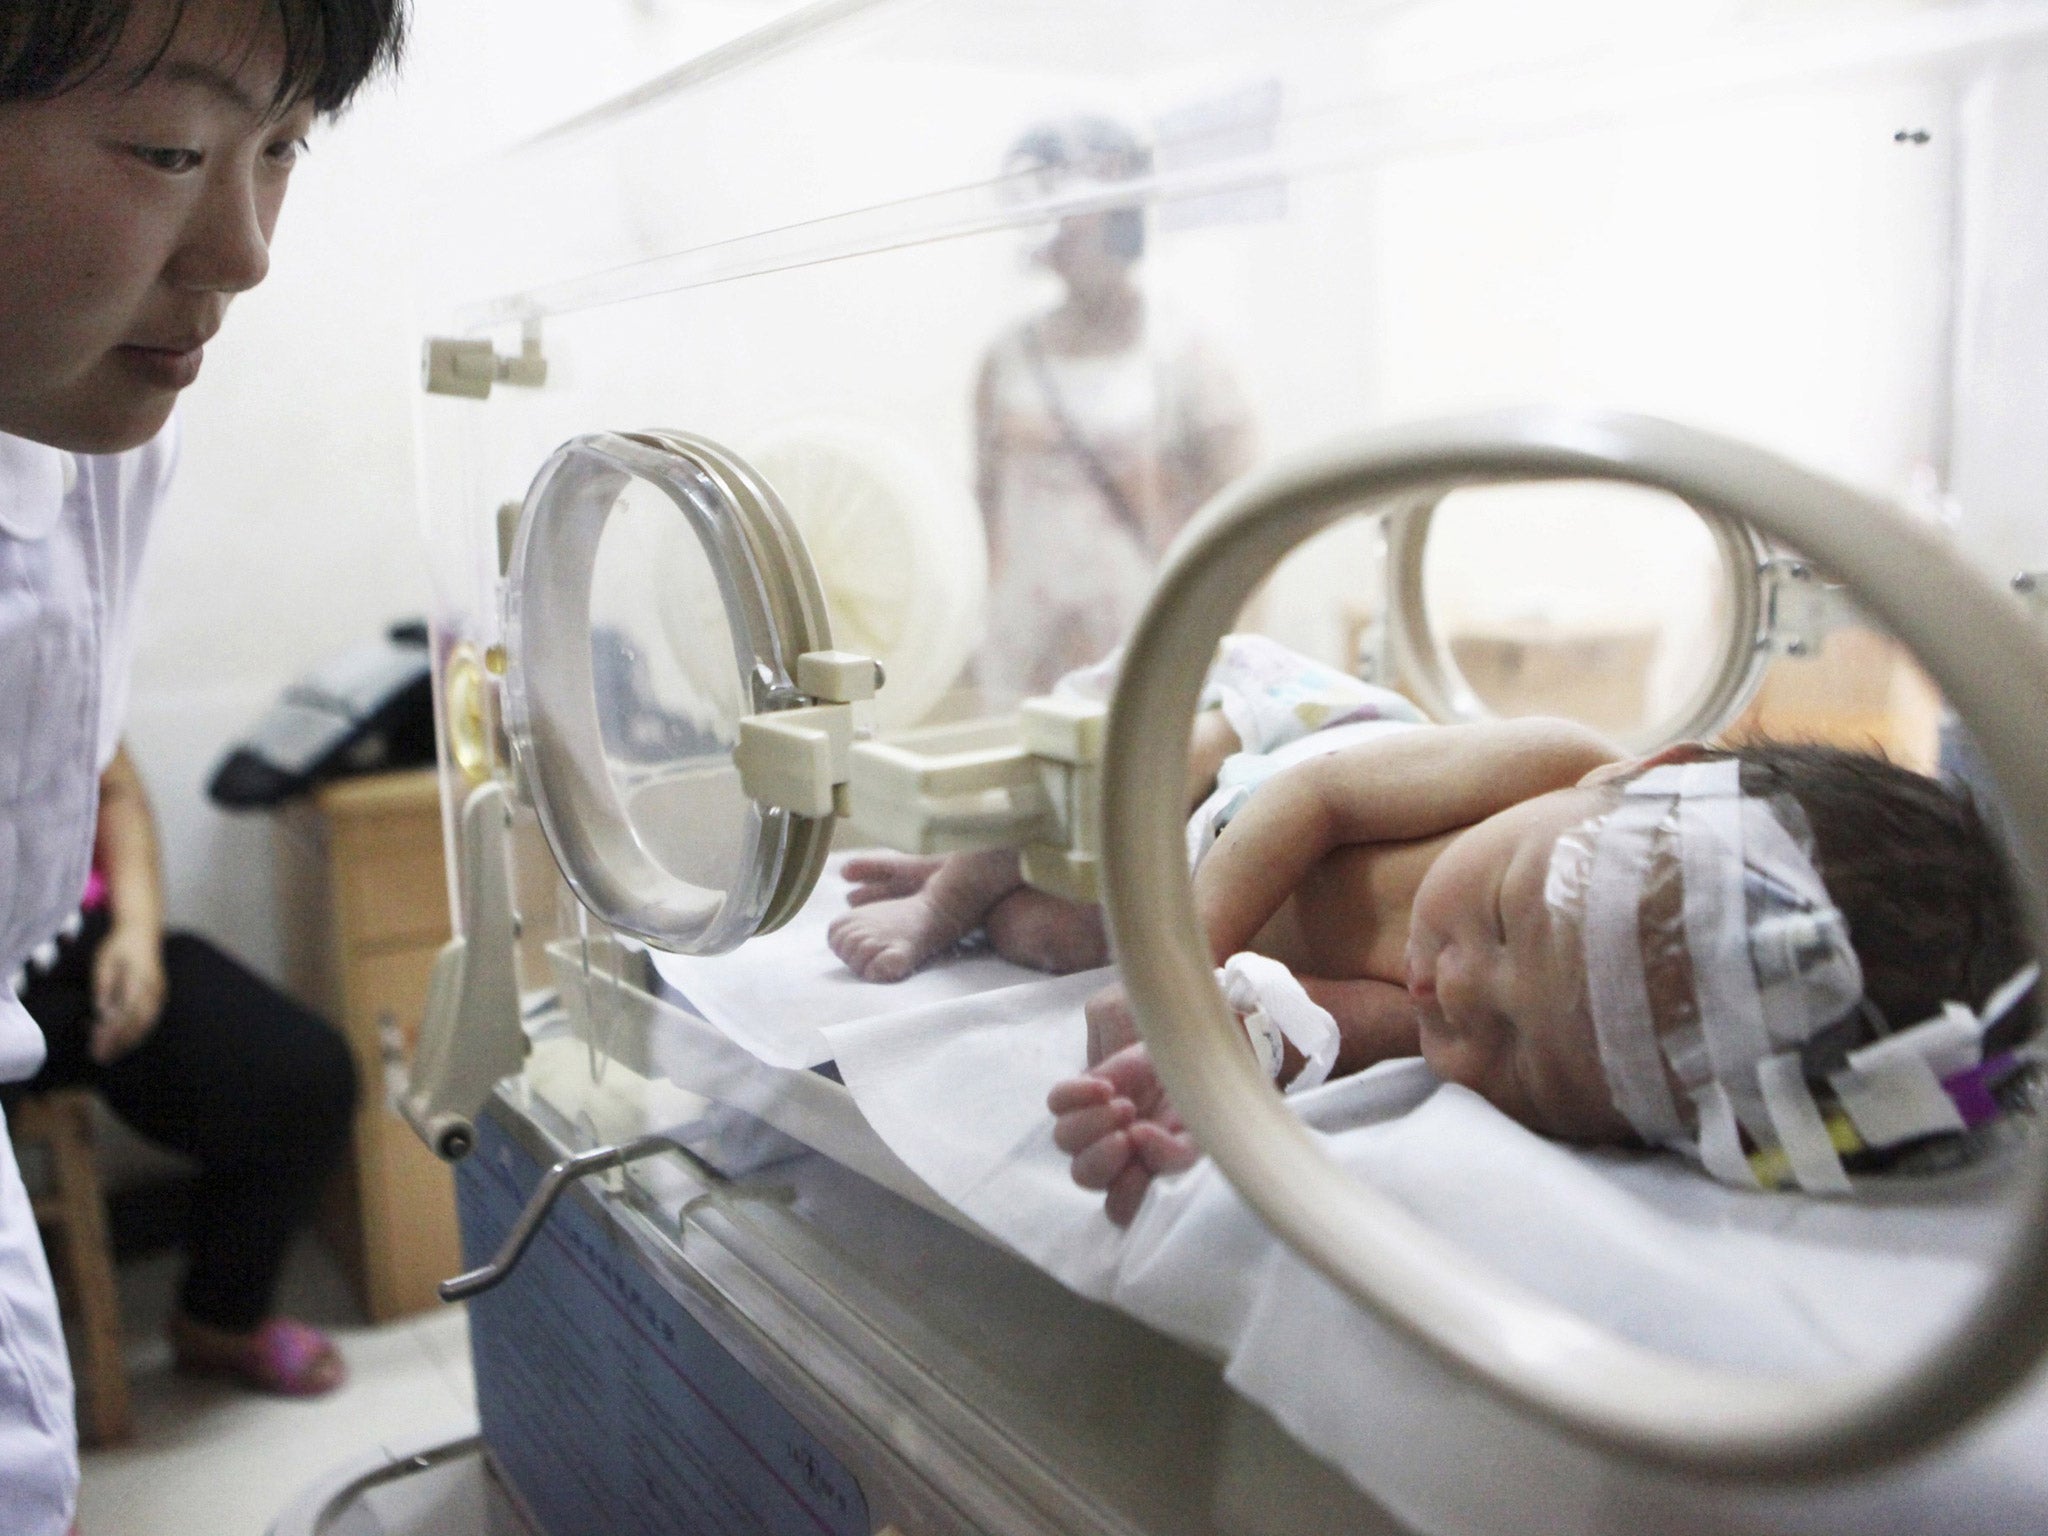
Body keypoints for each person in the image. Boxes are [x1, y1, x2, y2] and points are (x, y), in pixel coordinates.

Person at [830, 638, 2038, 1225]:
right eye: (1508, 916)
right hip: (1255, 770)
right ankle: (950, 878)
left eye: (1528, 1065)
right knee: (1128, 770)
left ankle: (982, 891)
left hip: (1186, 891)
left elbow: (1299, 1029)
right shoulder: (1553, 767)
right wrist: (1174, 971)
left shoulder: (1455, 1021)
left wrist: (1192, 1071)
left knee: (1050, 935)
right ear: (1639, 773)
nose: (1461, 991)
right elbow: (1319, 799)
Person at [0, 1, 405, 1528]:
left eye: (284, 148)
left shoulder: (96, 427)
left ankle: (217, 1317)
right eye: (171, 148)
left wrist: (138, 928)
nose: (246, 251)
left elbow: (87, 764)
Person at [7, 745, 357, 1395]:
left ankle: (218, 1323)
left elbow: (112, 783)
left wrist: (136, 932)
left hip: (67, 944)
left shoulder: (50, 644)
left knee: (300, 1076)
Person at [973, 115, 1255, 702]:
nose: (1062, 221)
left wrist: (1232, 660)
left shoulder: (1186, 355)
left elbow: (1244, 520)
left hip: (1145, 653)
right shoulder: (1007, 359)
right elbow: (988, 506)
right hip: (1026, 654)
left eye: (1075, 195)